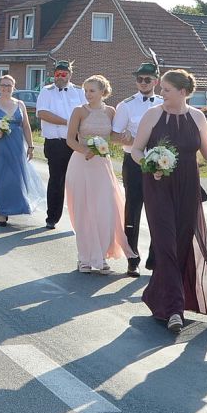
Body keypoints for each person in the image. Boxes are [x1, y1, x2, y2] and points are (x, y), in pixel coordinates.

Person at [131, 70, 207, 334]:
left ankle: (157, 294)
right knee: (165, 243)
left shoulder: (197, 117)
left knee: (181, 244)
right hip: (158, 185)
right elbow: (136, 149)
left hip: (188, 186)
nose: (160, 92)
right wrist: (149, 164)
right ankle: (174, 310)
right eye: (161, 89)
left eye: (165, 89)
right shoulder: (152, 114)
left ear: (182, 91)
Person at [64, 75, 133, 273]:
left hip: (102, 165)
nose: (87, 94)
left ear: (103, 92)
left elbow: (112, 136)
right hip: (82, 163)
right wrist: (84, 150)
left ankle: (101, 256)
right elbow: (70, 139)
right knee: (84, 211)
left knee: (105, 210)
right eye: (85, 91)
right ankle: (84, 258)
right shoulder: (79, 111)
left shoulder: (111, 111)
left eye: (92, 91)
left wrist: (125, 137)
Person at [112, 62, 163, 276]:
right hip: (133, 161)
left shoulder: (164, 103)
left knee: (159, 212)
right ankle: (132, 258)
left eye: (147, 79)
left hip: (160, 162)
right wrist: (127, 139)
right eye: (140, 79)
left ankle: (156, 258)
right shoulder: (126, 104)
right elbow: (114, 135)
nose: (143, 83)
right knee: (133, 209)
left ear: (156, 81)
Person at [0, 75, 45, 226]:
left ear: (14, 87)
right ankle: (2, 212)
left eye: (9, 85)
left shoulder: (20, 104)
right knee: (2, 177)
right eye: (3, 85)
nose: (6, 88)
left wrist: (31, 146)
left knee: (17, 176)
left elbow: (26, 127)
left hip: (16, 144)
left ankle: (17, 206)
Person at [36, 61, 87, 229]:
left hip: (76, 143)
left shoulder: (80, 91)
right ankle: (52, 217)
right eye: (57, 74)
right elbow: (42, 113)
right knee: (56, 181)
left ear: (70, 75)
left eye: (63, 74)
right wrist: (68, 122)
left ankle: (79, 219)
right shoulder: (46, 91)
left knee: (77, 182)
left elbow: (87, 113)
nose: (60, 77)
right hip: (56, 143)